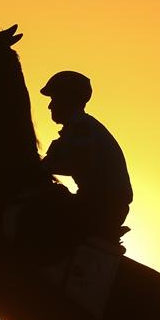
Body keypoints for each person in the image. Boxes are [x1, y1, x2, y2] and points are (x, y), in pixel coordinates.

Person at [39, 70, 132, 248]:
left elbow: (81, 164)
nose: (50, 106)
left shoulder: (82, 128)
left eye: (54, 99)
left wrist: (43, 168)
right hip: (98, 202)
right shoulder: (78, 128)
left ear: (67, 100)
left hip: (102, 206)